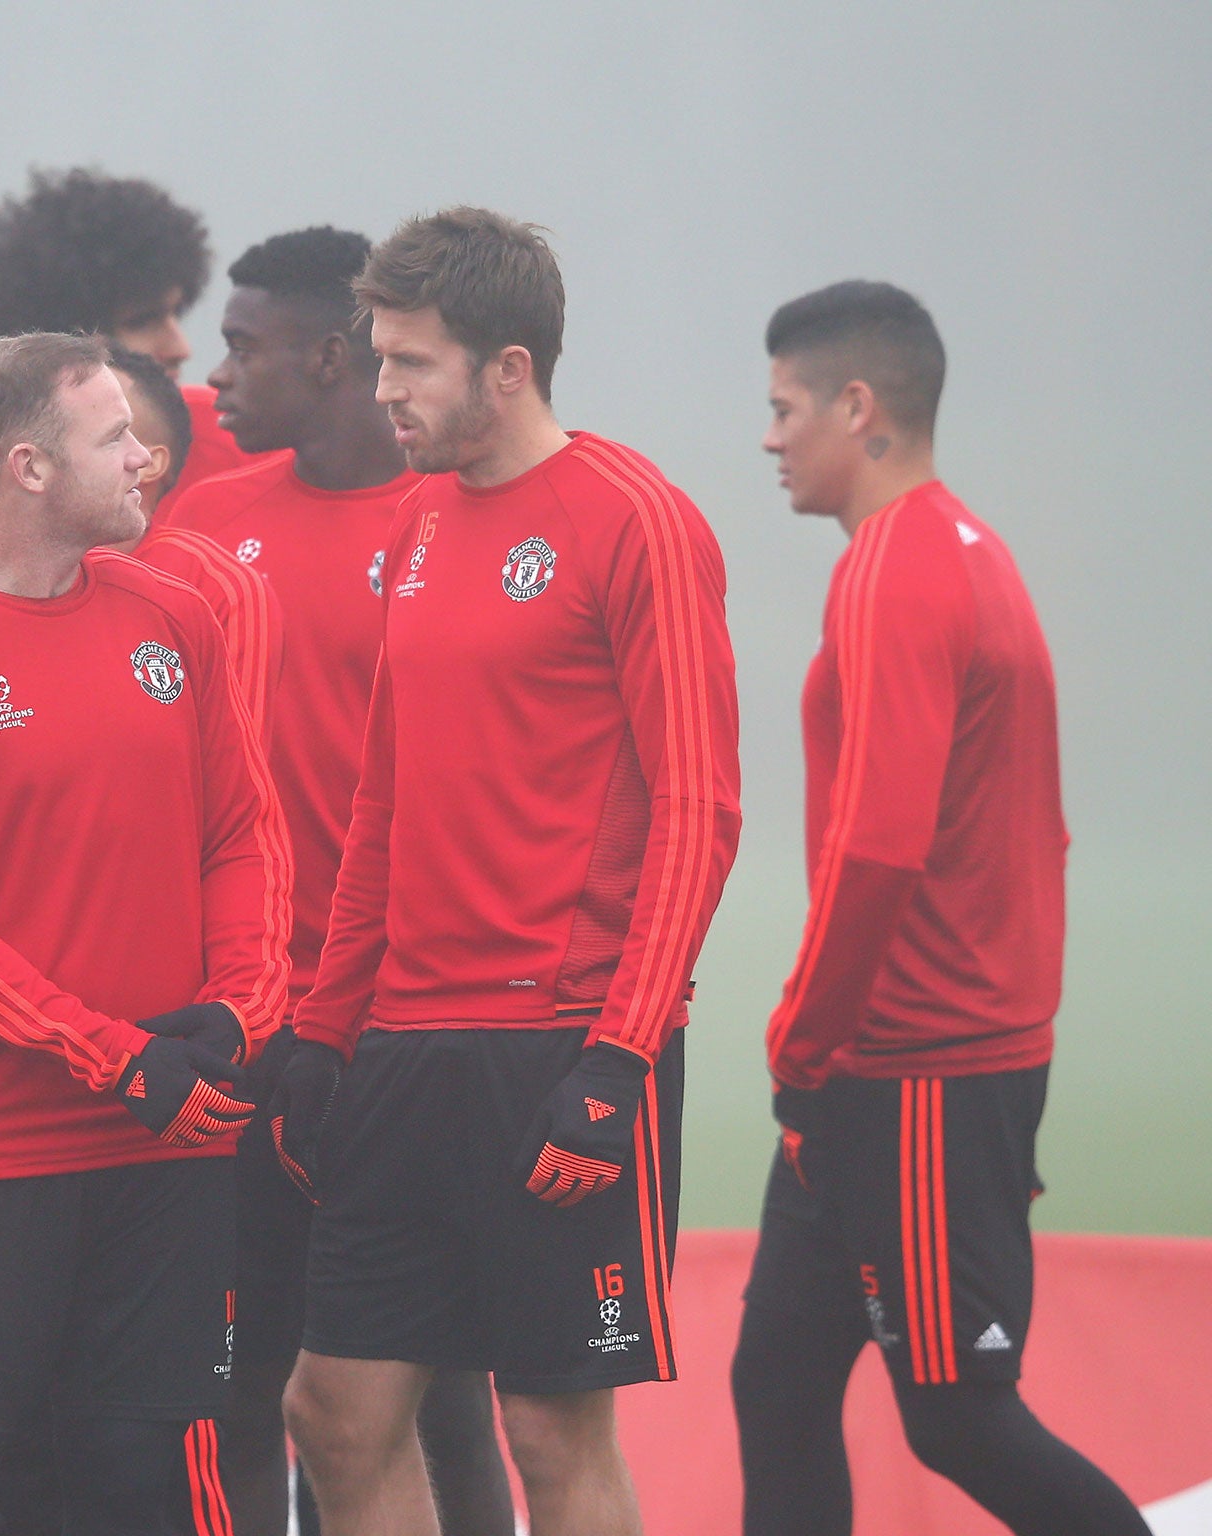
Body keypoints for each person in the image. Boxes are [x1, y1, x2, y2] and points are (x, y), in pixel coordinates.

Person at [271, 208, 742, 1536]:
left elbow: (699, 810)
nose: (383, 389)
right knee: (335, 1412)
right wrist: (322, 1032)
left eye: (412, 363)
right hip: (401, 1046)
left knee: (547, 1428)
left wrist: (619, 1060)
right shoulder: (420, 520)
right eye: (379, 357)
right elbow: (382, 800)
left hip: (558, 1047)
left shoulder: (636, 520)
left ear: (509, 368)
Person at [0, 332, 293, 1534]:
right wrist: (114, 1056)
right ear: (27, 468)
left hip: (167, 1145)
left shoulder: (175, 618)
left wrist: (239, 1012)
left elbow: (242, 837)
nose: (147, 459)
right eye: (114, 438)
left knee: (152, 1491)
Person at [730, 282, 1150, 1536]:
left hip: (915, 1068)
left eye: (783, 408)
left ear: (857, 407)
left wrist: (800, 1040)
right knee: (775, 1382)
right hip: (883, 1063)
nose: (767, 437)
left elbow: (877, 849)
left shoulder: (895, 570)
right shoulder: (959, 547)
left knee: (957, 1415)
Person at [168, 227, 513, 1536]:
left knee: (440, 1397)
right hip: (257, 1030)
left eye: (242, 348)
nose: (216, 379)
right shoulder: (205, 529)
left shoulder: (453, 522)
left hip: (407, 1031)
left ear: (327, 358)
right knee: (246, 1388)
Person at [0, 166, 268, 507]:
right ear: (63, 341)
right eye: (142, 321)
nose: (180, 348)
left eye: (175, 314)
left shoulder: (232, 434)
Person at [105, 344, 283, 733]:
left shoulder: (219, 588)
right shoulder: (12, 575)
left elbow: (237, 759)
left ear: (146, 462)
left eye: (103, 430)